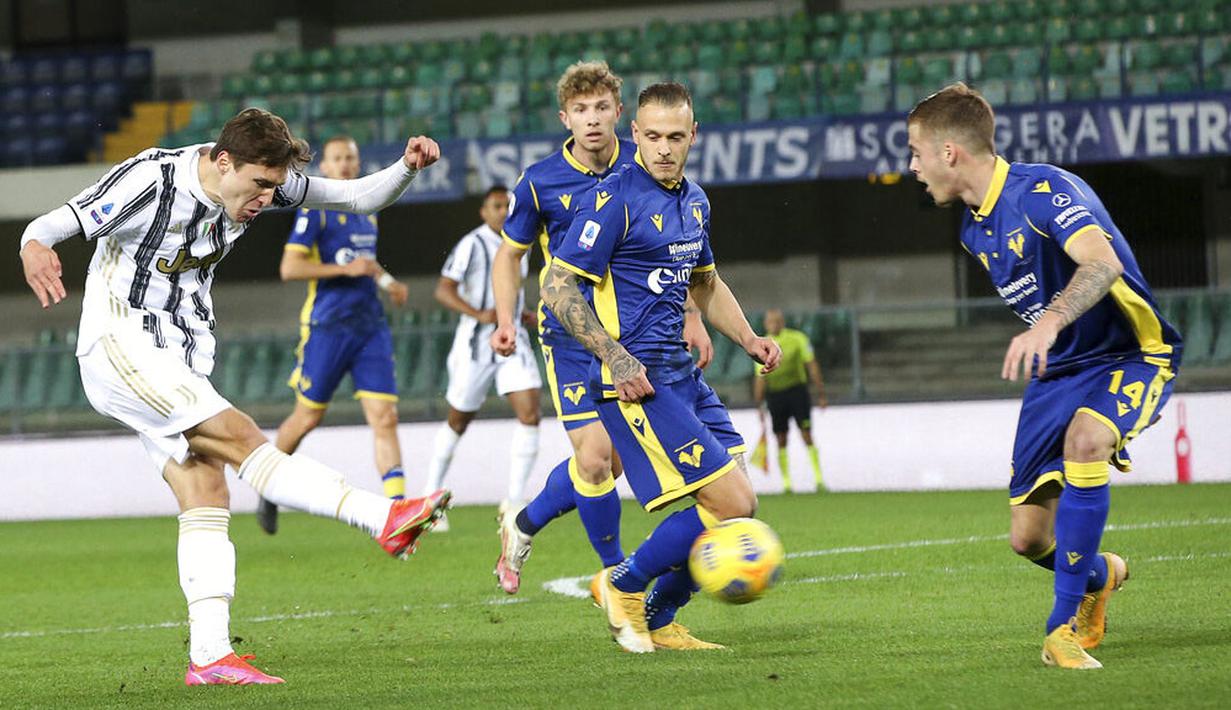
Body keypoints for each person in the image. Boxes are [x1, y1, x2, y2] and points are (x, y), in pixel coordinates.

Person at [18, 108, 450, 685]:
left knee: (206, 483)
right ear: (224, 163)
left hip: (181, 354)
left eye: (275, 188)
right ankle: (384, 517)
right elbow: (54, 224)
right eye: (259, 187)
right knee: (242, 435)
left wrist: (406, 167)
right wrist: (32, 244)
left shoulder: (261, 180)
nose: (267, 200)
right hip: (119, 343)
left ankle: (211, 657)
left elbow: (356, 198)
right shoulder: (151, 180)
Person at [907, 83, 1182, 669]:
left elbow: (1101, 262)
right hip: (1058, 373)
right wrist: (1049, 335)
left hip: (1129, 353)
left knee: (1087, 441)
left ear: (949, 151)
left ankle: (1061, 631)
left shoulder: (1043, 190)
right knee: (1028, 538)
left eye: (915, 151)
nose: (912, 166)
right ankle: (1099, 575)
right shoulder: (973, 230)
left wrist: (1049, 322)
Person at [545, 82, 781, 652]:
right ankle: (622, 582)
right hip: (637, 383)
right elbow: (557, 286)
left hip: (682, 375)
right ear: (636, 135)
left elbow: (705, 281)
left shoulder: (695, 201)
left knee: (735, 505)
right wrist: (614, 355)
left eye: (676, 136)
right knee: (733, 503)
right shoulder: (615, 200)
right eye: (652, 137)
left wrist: (748, 337)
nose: (664, 148)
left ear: (693, 135)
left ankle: (660, 614)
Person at [488, 61, 713, 594]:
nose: (592, 120)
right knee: (593, 459)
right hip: (570, 338)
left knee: (608, 468)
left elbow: (674, 252)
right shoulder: (540, 182)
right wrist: (503, 319)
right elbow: (508, 257)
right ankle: (616, 574)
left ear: (621, 115)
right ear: (565, 118)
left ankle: (523, 522)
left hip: (635, 337)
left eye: (602, 108)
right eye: (581, 110)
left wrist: (693, 314)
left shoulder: (647, 168)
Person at [256, 135, 412, 535]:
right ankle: (267, 485)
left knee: (385, 417)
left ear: (357, 166)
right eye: (337, 159)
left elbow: (364, 262)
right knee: (308, 417)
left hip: (369, 326)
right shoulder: (315, 213)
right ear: (323, 167)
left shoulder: (367, 210)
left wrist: (387, 280)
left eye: (350, 159)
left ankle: (399, 511)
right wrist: (347, 271)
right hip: (328, 327)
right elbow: (289, 269)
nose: (344, 165)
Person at [424, 185, 543, 530]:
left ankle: (514, 500)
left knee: (530, 411)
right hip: (476, 343)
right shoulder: (472, 244)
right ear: (484, 212)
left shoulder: (520, 243)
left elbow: (510, 291)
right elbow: (443, 289)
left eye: (508, 205)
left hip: (513, 338)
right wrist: (477, 314)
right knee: (459, 419)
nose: (504, 211)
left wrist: (522, 313)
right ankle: (430, 499)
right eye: (496, 205)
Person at [752, 308, 827, 492]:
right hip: (776, 395)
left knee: (806, 433)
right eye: (770, 321)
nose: (774, 324)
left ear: (783, 321)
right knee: (781, 437)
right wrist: (759, 404)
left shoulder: (797, 339)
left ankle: (819, 479)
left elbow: (812, 365)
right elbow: (760, 377)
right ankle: (786, 483)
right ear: (765, 324)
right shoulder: (761, 346)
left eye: (777, 321)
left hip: (797, 392)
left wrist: (821, 392)